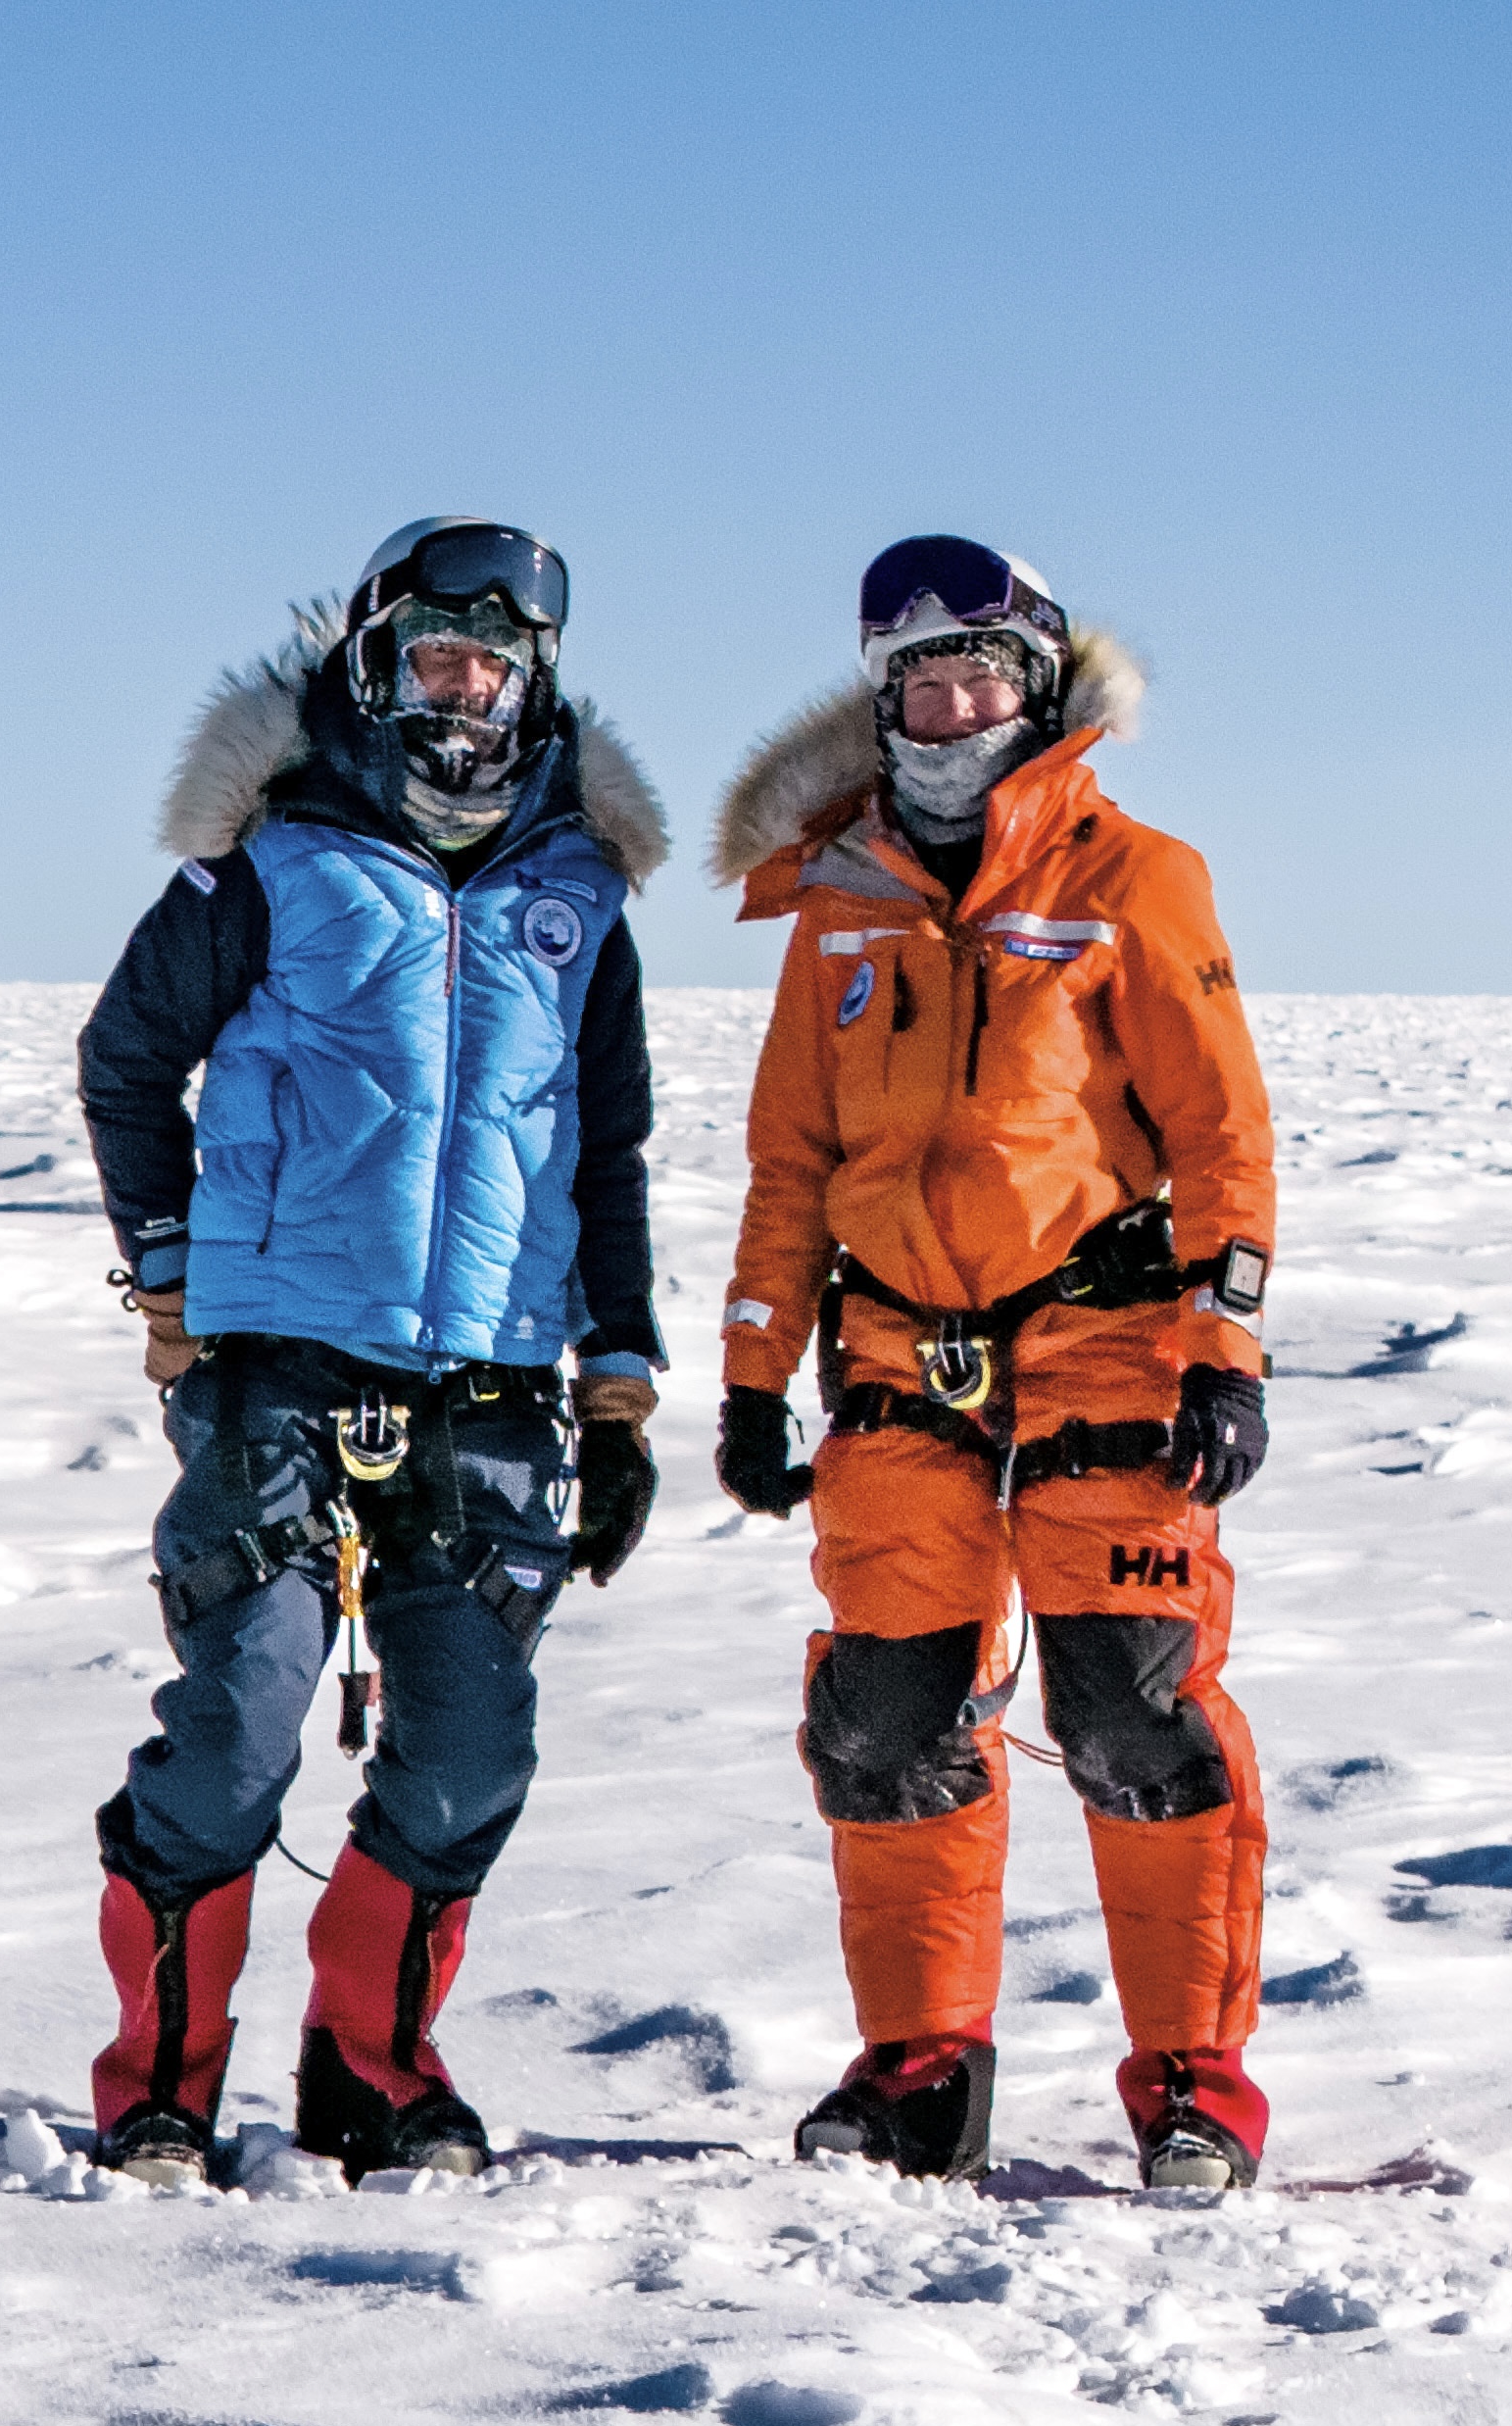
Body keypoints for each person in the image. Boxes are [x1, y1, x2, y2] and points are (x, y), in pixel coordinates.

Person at [74, 519, 668, 2186]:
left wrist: (616, 1385)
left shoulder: (580, 896)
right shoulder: (273, 859)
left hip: (489, 1385)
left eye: (492, 659)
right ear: (374, 662)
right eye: (432, 653)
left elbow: (604, 1150)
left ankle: (372, 2067)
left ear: (536, 675)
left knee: (472, 1747)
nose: (461, 686)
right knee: (239, 1734)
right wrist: (173, 1276)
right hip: (275, 1368)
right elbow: (128, 1061)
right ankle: (163, 2087)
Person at [707, 537, 1277, 2189]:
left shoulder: (1134, 876)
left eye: (978, 678)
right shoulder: (841, 904)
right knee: (883, 1722)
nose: (951, 708)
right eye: (919, 685)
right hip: (897, 1355)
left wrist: (1222, 1341)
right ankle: (919, 2068)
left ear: (1032, 691)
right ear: (881, 705)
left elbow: (1225, 1134)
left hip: (1108, 1344)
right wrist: (756, 1366)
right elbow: (790, 1160)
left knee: (1134, 1710)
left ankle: (1195, 2080)